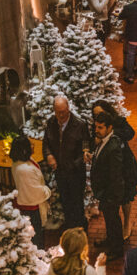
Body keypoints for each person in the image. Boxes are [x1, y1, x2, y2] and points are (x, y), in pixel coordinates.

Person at [92, 100, 137, 239]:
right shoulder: (97, 126)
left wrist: (111, 133)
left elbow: (130, 133)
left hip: (123, 162)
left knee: (126, 196)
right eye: (95, 115)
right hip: (107, 164)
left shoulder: (116, 122)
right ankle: (114, 232)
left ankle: (127, 223)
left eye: (100, 113)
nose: (97, 117)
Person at [42, 95, 91, 231]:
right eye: (58, 112)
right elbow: (46, 143)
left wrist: (73, 165)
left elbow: (86, 149)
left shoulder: (80, 125)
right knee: (65, 201)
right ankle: (70, 227)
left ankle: (81, 229)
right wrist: (49, 155)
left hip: (75, 173)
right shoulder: (51, 122)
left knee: (77, 203)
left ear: (68, 108)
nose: (61, 115)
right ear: (54, 110)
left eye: (63, 111)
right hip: (60, 172)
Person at [88, 111, 128, 259]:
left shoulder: (113, 147)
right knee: (109, 219)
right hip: (104, 191)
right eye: (96, 127)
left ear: (109, 128)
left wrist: (112, 196)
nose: (96, 130)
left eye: (100, 128)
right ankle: (110, 240)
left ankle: (116, 249)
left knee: (113, 221)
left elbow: (115, 175)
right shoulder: (103, 141)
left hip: (110, 193)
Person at [9, 135, 51, 248]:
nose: (33, 146)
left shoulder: (21, 162)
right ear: (24, 149)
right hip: (31, 208)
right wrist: (47, 191)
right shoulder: (25, 170)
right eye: (30, 145)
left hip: (28, 204)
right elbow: (37, 194)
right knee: (36, 239)